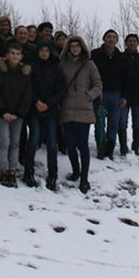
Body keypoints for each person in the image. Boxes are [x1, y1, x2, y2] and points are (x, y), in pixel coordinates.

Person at [58, 35, 101, 194]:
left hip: (84, 109)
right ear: (68, 48)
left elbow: (98, 84)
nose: (75, 48)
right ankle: (76, 171)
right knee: (70, 145)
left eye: (77, 46)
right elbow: (57, 85)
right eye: (72, 46)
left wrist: (89, 95)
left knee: (83, 145)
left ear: (82, 47)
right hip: (67, 109)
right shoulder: (63, 65)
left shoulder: (89, 65)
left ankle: (84, 178)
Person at [0, 42, 32, 187]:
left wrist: (19, 113)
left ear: (21, 57)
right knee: (5, 141)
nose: (14, 56)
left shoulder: (24, 73)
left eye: (17, 54)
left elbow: (27, 95)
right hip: (3, 114)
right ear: (7, 55)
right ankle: (3, 169)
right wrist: (3, 111)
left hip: (17, 115)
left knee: (15, 142)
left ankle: (12, 170)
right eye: (12, 53)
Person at [25, 38, 63, 190]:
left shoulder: (56, 67)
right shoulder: (31, 67)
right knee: (33, 140)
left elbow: (61, 90)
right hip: (34, 109)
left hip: (50, 110)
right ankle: (28, 171)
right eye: (41, 50)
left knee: (52, 143)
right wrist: (36, 102)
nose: (44, 53)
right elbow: (27, 87)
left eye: (47, 50)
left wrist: (49, 104)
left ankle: (53, 173)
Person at [90, 29, 123, 159]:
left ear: (116, 40)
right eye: (109, 36)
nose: (111, 39)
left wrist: (125, 96)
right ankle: (101, 148)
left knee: (113, 124)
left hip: (116, 95)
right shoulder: (95, 54)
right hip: (100, 94)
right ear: (104, 39)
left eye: (114, 37)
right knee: (99, 123)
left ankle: (110, 149)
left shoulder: (121, 57)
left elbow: (126, 78)